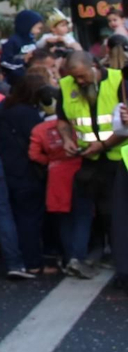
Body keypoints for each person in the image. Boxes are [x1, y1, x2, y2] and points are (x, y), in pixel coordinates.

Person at [55, 48, 124, 281]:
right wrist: (66, 139)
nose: (80, 82)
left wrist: (103, 145)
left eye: (83, 76)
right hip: (89, 158)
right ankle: (92, 256)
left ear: (94, 67)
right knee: (90, 209)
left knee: (115, 212)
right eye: (76, 78)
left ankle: (119, 261)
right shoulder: (66, 85)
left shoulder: (117, 81)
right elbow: (63, 119)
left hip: (119, 157)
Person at [0, 74, 49, 279]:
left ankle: (15, 260)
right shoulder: (29, 114)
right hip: (27, 171)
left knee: (11, 217)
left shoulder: (4, 109)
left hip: (6, 169)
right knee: (29, 219)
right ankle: (32, 263)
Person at [30, 86, 77, 275]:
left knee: (62, 218)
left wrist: (49, 161)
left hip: (56, 175)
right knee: (81, 216)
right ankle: (80, 254)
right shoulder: (73, 122)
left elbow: (34, 154)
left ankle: (67, 256)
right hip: (79, 169)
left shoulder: (39, 129)